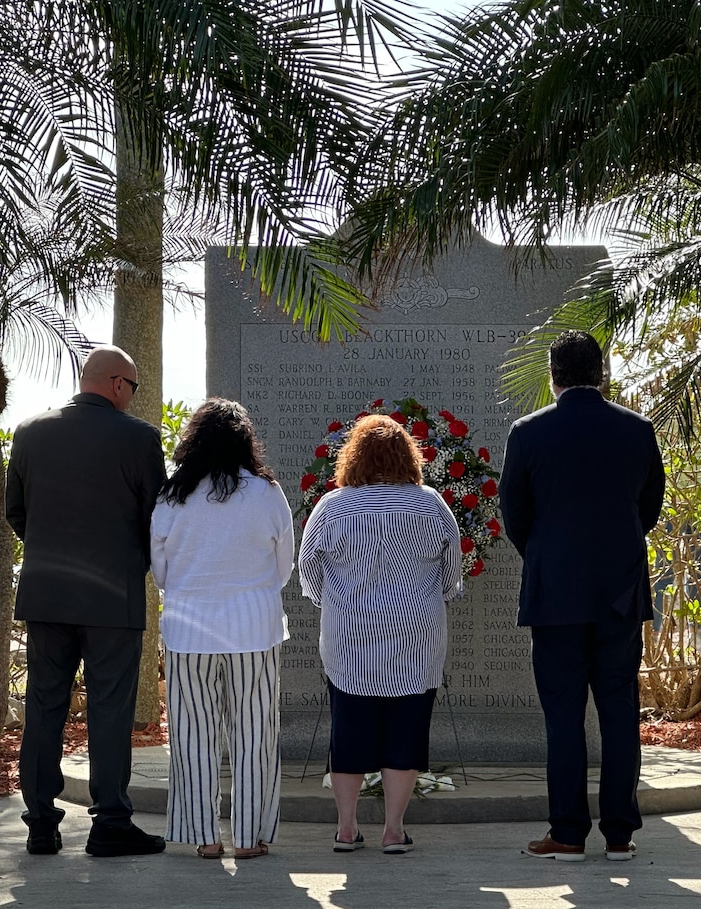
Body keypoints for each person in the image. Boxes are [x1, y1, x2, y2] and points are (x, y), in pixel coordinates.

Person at [498, 330, 665, 861]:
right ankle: (620, 832)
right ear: (602, 373)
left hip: (556, 598)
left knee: (563, 717)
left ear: (553, 377)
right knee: (619, 712)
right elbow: (649, 508)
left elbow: (515, 516)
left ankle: (567, 832)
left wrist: (548, 559)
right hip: (619, 594)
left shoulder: (528, 434)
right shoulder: (637, 430)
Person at [5, 345, 167, 857]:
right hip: (111, 599)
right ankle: (111, 823)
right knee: (110, 709)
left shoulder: (29, 432)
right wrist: (128, 564)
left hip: (47, 595)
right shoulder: (140, 438)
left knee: (44, 706)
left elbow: (17, 512)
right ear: (118, 384)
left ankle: (39, 823)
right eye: (133, 388)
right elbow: (155, 519)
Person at [300, 414, 462, 855]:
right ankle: (394, 829)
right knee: (405, 733)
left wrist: (336, 602)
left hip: (350, 638)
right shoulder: (430, 504)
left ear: (353, 457)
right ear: (408, 456)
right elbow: (451, 577)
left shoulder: (331, 507)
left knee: (349, 732)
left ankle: (347, 828)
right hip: (416, 636)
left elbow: (309, 574)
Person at [150, 399, 294, 860]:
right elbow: (284, 567)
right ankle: (250, 837)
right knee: (255, 734)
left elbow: (161, 570)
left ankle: (204, 837)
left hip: (188, 629)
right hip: (254, 627)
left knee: (192, 736)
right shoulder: (267, 494)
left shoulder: (172, 496)